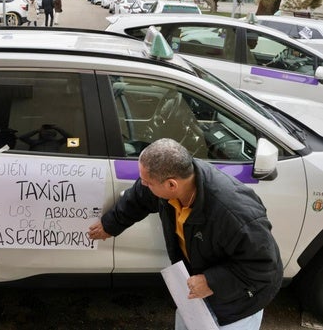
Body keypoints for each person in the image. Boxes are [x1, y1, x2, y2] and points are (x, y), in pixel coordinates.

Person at [88, 138, 283, 330]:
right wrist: (110, 225)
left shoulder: (234, 213)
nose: (143, 185)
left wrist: (211, 282)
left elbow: (263, 266)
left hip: (240, 300)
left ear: (171, 185)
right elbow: (139, 196)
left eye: (148, 182)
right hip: (197, 287)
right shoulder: (174, 181)